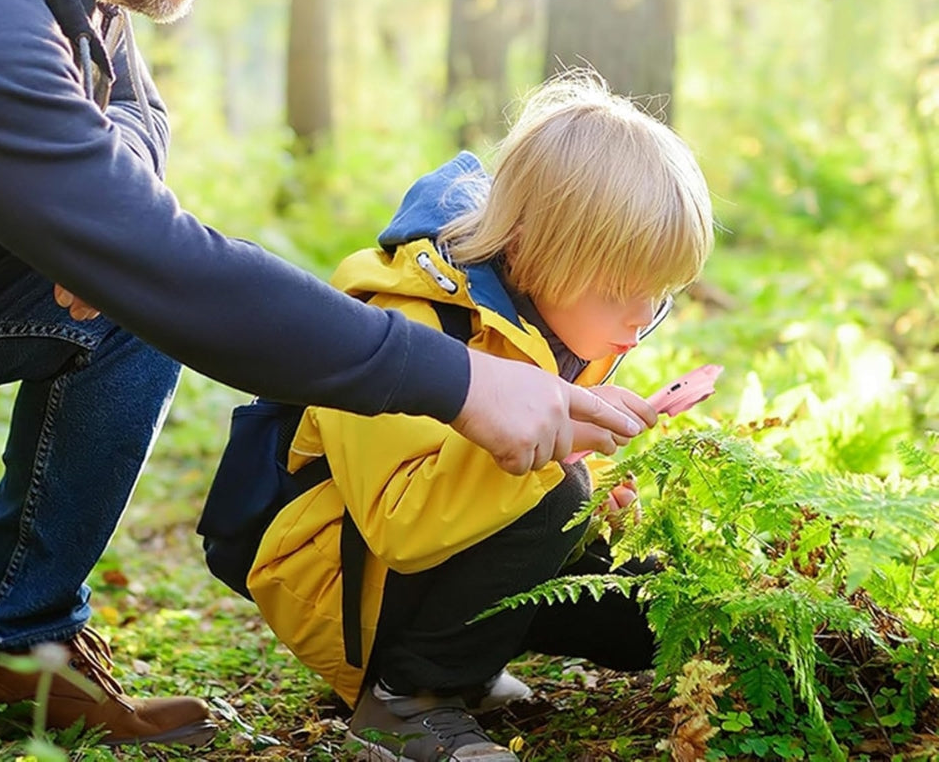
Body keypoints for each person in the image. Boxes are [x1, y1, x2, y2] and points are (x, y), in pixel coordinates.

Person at [0, 0, 653, 749]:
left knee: (133, 301)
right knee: (156, 281)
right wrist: (459, 382)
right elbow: (172, 267)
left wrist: (97, 208)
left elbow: (131, 102)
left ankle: (13, 644)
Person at [244, 73, 716, 762]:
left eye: (660, 295)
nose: (640, 320)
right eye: (620, 290)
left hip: (439, 556)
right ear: (530, 248)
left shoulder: (551, 316)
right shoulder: (404, 322)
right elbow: (400, 522)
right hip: (346, 589)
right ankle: (406, 699)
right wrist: (564, 457)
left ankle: (467, 656)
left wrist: (607, 485)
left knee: (652, 608)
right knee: (558, 493)